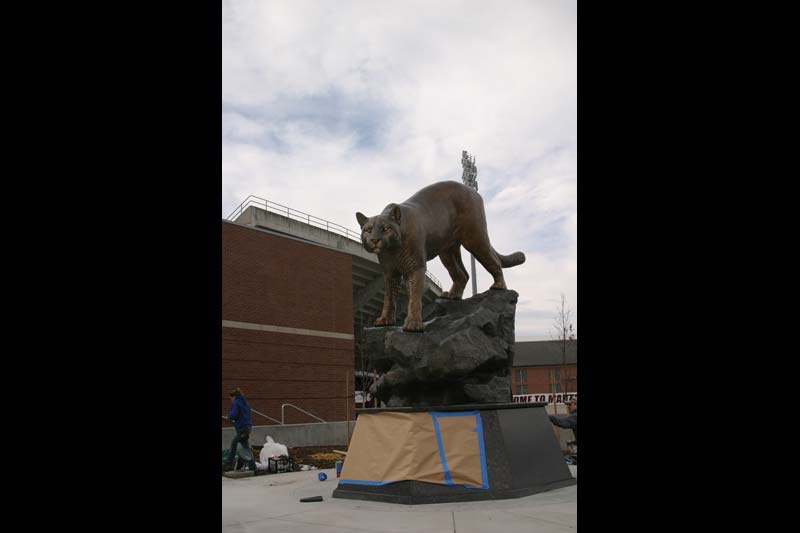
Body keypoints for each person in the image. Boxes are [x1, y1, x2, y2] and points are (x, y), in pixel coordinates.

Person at [224, 388, 254, 471]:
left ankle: (229, 463)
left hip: (242, 428)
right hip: (247, 427)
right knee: (246, 448)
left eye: (230, 398)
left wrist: (228, 417)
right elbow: (243, 415)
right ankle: (253, 467)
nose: (230, 400)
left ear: (234, 397)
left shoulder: (236, 403)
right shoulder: (245, 403)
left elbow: (233, 415)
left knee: (234, 442)